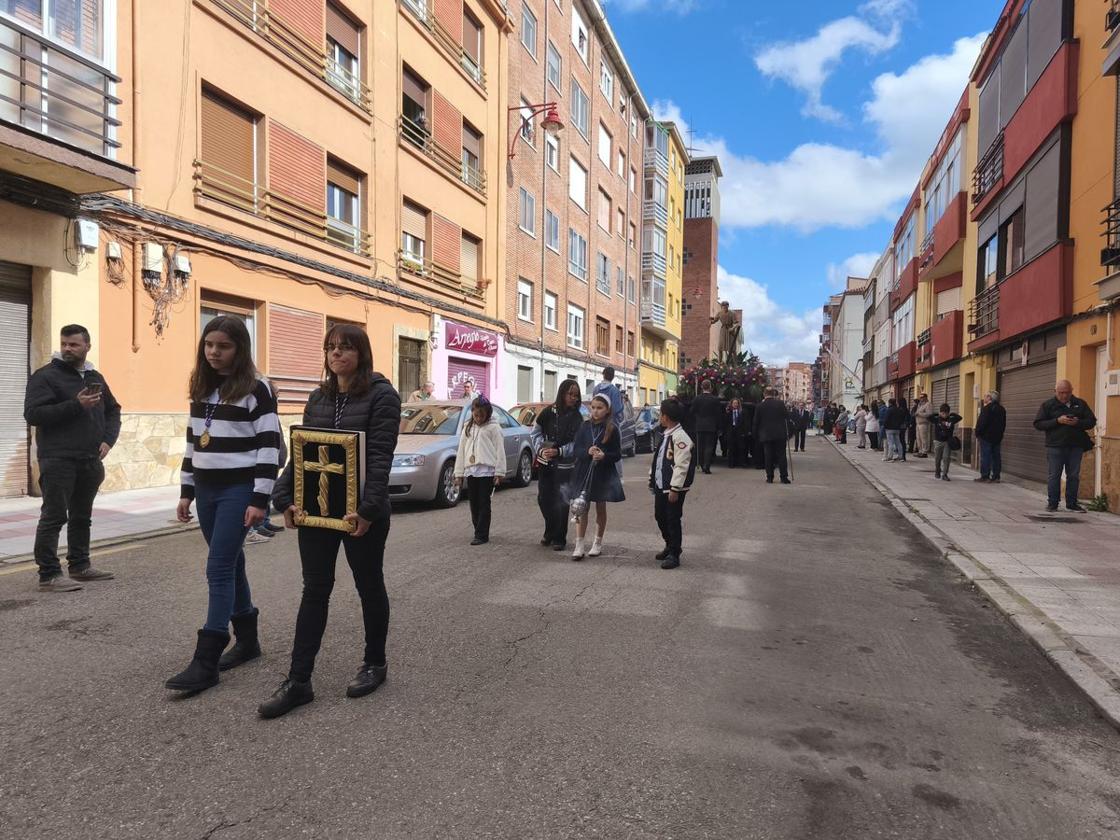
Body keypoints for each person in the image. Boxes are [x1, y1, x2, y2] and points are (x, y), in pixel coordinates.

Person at [261, 323, 401, 718]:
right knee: (315, 590)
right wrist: (284, 498)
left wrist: (368, 511)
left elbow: (380, 457)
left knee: (369, 586)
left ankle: (375, 663)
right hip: (319, 511)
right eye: (331, 347)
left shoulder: (382, 396)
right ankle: (298, 681)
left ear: (362, 352)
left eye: (345, 347)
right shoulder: (318, 396)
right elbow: (301, 451)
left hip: (363, 514)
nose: (336, 353)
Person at [168, 316, 281, 695]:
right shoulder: (202, 386)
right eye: (209, 344)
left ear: (240, 349)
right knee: (232, 563)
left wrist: (260, 499)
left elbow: (268, 445)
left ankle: (207, 658)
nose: (214, 352)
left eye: (223, 346)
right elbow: (192, 441)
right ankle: (247, 642)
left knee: (218, 567)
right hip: (206, 489)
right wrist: (186, 490)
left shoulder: (257, 388)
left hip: (238, 488)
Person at [23, 324, 121, 592]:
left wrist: (108, 440)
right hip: (58, 459)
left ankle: (80, 566)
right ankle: (49, 575)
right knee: (54, 517)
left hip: (89, 459)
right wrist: (76, 405)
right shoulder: (45, 376)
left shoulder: (94, 376)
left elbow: (113, 410)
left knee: (81, 516)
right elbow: (33, 414)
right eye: (64, 344)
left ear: (87, 346)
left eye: (74, 344)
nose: (67, 348)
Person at [567, 394, 624, 559]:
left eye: (600, 408)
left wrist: (604, 455)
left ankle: (597, 542)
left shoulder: (612, 429)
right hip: (583, 471)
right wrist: (587, 451)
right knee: (581, 507)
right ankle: (579, 545)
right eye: (593, 407)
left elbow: (617, 454)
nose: (596, 411)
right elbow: (576, 450)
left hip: (602, 473)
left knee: (600, 507)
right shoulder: (584, 426)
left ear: (607, 410)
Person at [532, 380, 584, 551]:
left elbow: (578, 443)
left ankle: (559, 537)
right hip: (546, 464)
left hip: (565, 466)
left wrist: (559, 451)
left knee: (562, 501)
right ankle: (550, 529)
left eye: (576, 395)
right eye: (570, 394)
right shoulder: (548, 412)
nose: (573, 398)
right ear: (562, 393)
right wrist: (541, 449)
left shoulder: (577, 417)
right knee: (543, 499)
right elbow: (535, 433)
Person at [1033, 380, 1097, 513]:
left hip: (1075, 446)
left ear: (1071, 391)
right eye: (1061, 393)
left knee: (1073, 475)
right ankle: (1052, 503)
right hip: (1055, 446)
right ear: (1055, 391)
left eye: (1067, 392)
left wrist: (1078, 422)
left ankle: (1072, 504)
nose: (1064, 395)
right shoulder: (1048, 405)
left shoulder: (1080, 404)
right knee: (1054, 475)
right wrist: (1057, 421)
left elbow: (1091, 421)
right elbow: (1038, 424)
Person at [650, 398, 696, 570]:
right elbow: (658, 460)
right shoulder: (666, 434)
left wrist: (675, 488)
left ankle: (674, 553)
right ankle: (670, 544)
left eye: (660, 415)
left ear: (666, 417)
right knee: (660, 516)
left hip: (673, 488)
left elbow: (681, 465)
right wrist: (652, 479)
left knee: (672, 519)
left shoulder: (680, 437)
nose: (659, 418)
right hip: (661, 485)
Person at [454, 396, 506, 546]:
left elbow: (500, 450)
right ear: (472, 412)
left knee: (484, 502)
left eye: (481, 416)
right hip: (471, 470)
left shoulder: (494, 428)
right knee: (474, 502)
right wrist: (459, 474)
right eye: (475, 415)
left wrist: (499, 472)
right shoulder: (468, 427)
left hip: (486, 471)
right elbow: (461, 450)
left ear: (488, 414)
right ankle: (478, 528)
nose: (478, 418)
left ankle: (482, 534)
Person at [753, 388, 791, 484]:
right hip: (780, 434)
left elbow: (756, 422)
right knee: (781, 456)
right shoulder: (780, 404)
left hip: (766, 434)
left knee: (768, 456)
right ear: (773, 394)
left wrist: (755, 434)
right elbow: (787, 416)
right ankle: (784, 477)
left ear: (764, 394)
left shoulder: (760, 406)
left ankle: (770, 477)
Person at [690, 379, 722, 474]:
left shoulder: (697, 399)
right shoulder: (715, 399)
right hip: (711, 426)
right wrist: (719, 427)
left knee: (700, 446)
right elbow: (718, 414)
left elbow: (692, 411)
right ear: (710, 387)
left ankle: (701, 464)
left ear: (701, 387)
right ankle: (706, 466)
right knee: (709, 446)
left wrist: (697, 418)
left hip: (699, 425)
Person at [975, 390, 1007, 483]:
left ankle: (985, 476)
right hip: (997, 437)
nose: (984, 397)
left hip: (986, 437)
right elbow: (1003, 424)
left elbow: (982, 422)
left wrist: (978, 433)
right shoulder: (1002, 409)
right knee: (996, 457)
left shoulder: (986, 409)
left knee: (986, 456)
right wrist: (1000, 434)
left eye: (985, 396)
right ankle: (996, 476)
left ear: (989, 398)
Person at [930, 403, 963, 481]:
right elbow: (929, 418)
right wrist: (936, 414)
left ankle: (945, 474)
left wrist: (952, 414)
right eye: (942, 413)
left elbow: (960, 418)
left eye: (946, 413)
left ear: (948, 413)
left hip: (947, 442)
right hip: (938, 441)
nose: (944, 415)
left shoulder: (951, 419)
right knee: (937, 458)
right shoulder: (937, 419)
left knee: (946, 458)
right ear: (940, 412)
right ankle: (937, 470)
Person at [724, 398, 749, 468]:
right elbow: (725, 422)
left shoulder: (742, 412)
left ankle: (742, 462)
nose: (735, 404)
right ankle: (731, 463)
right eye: (734, 403)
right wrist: (727, 412)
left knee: (741, 447)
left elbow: (745, 422)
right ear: (731, 404)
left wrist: (745, 431)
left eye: (736, 403)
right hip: (731, 431)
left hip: (739, 431)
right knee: (731, 448)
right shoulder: (729, 412)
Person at [883, 398, 907, 462]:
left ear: (890, 403)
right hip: (897, 429)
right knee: (898, 443)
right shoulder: (899, 410)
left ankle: (890, 457)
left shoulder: (889, 410)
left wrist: (885, 426)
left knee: (890, 443)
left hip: (889, 428)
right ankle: (901, 456)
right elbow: (901, 419)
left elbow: (886, 419)